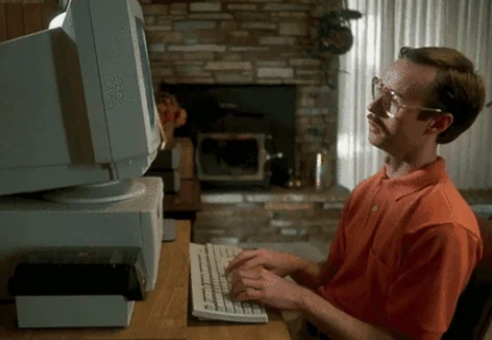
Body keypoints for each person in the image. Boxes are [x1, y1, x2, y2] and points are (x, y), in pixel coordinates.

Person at [225, 46, 486, 340]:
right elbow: (335, 276)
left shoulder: (443, 228)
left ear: (437, 123)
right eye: (379, 89)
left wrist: (299, 299)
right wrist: (291, 263)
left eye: (393, 101)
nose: (372, 107)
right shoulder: (370, 188)